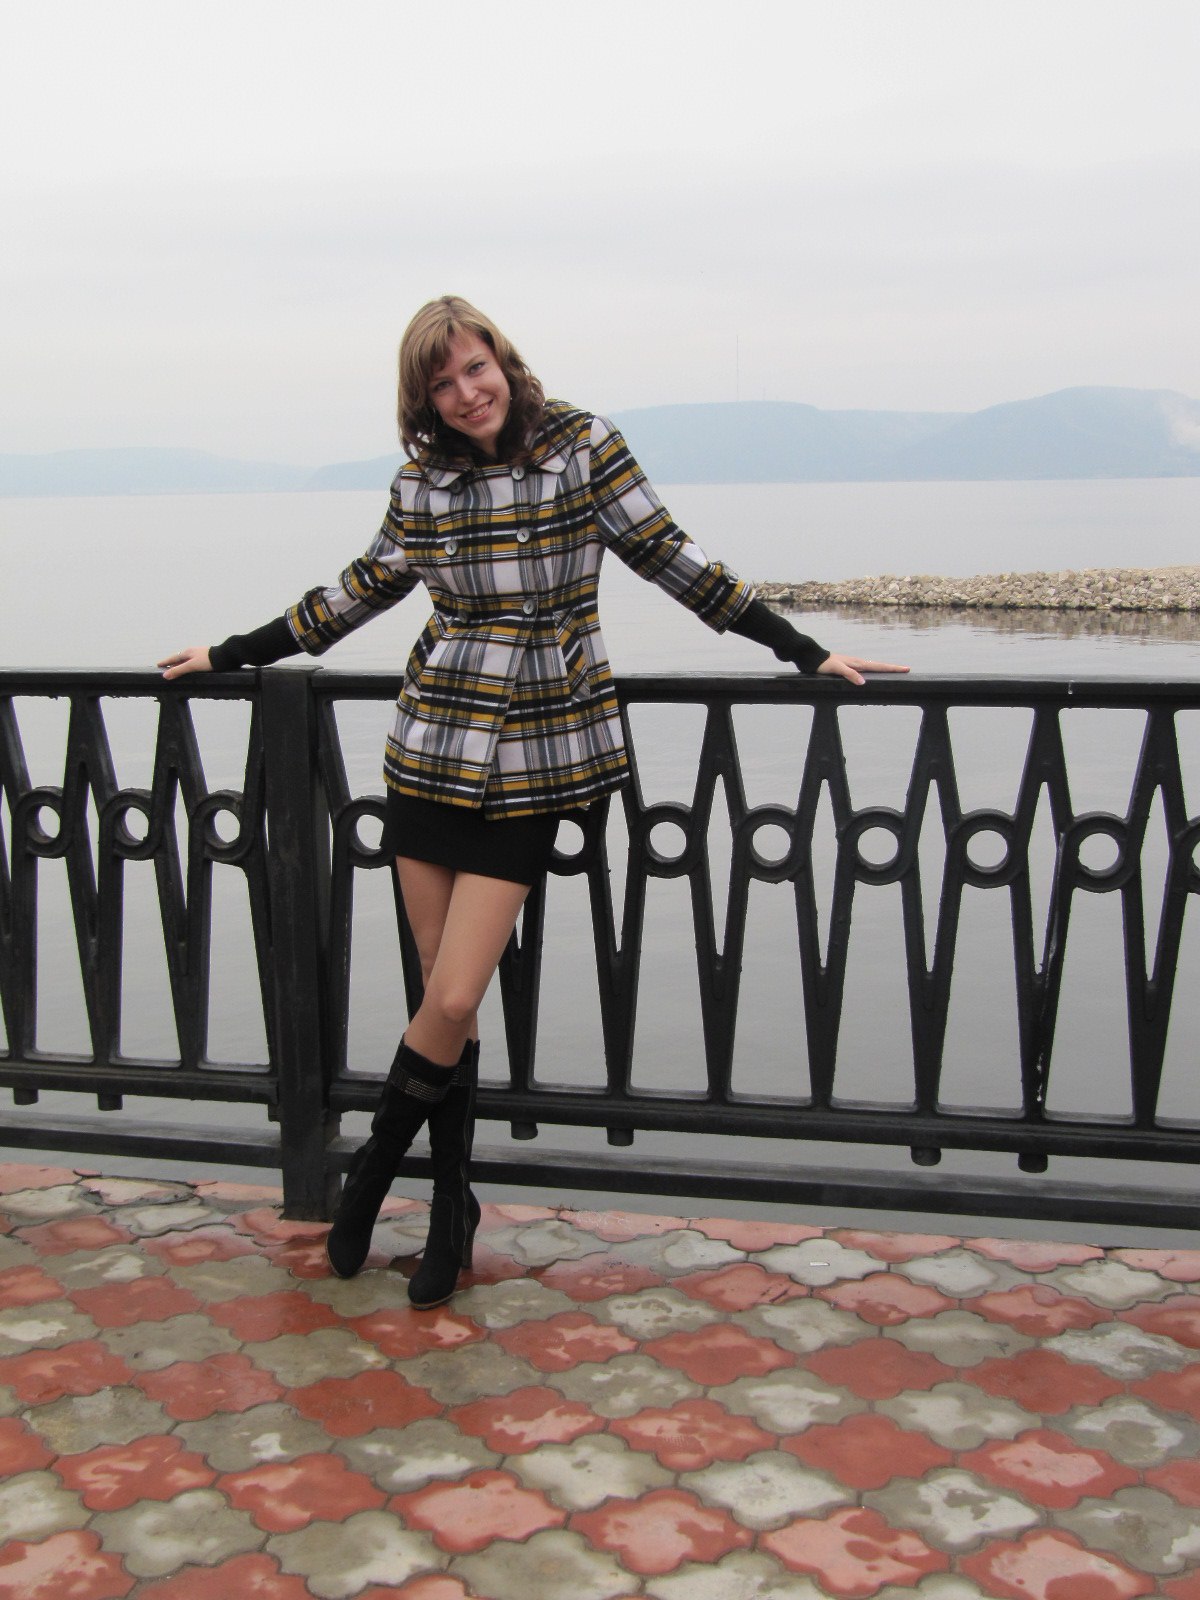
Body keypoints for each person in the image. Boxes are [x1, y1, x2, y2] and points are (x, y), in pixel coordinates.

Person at [160, 294, 907, 1308]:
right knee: (445, 998)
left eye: (476, 367)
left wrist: (802, 647)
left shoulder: (581, 446)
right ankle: (450, 1207)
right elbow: (358, 590)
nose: (467, 393)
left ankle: (370, 1174)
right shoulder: (422, 482)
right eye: (442, 383)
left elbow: (674, 559)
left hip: (535, 752)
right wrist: (232, 651)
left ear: (503, 360)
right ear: (423, 399)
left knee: (452, 997)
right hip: (430, 743)